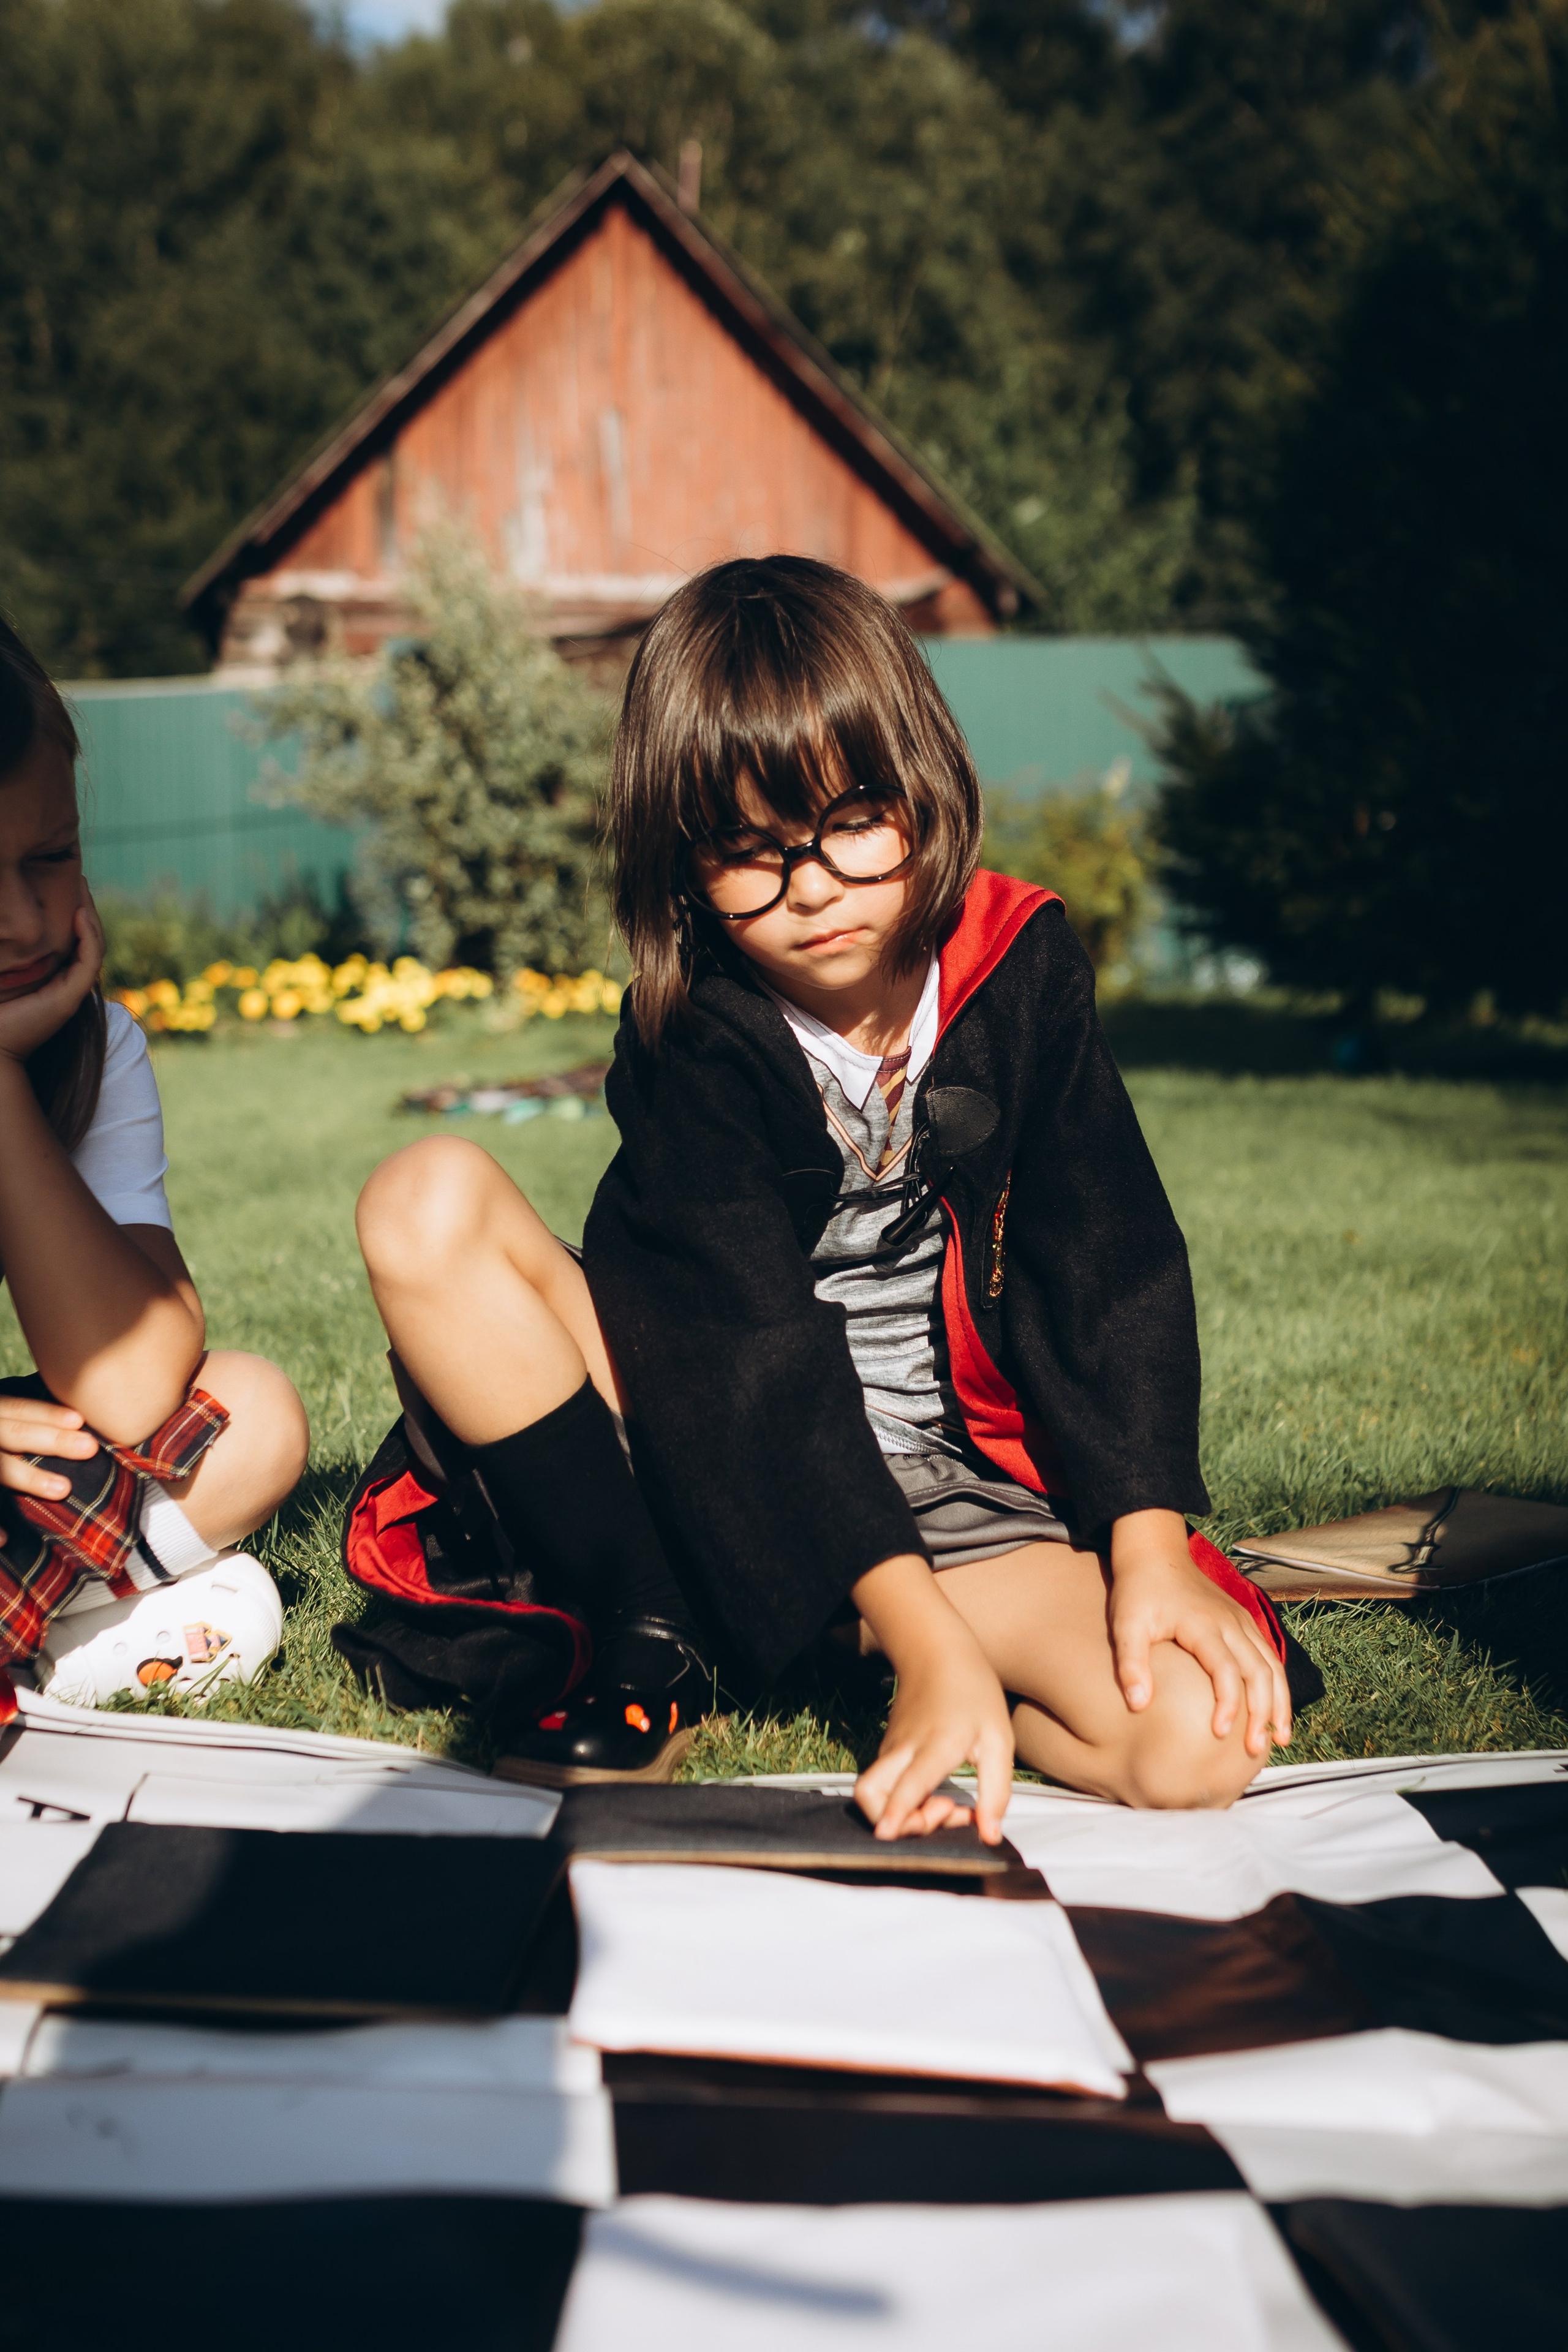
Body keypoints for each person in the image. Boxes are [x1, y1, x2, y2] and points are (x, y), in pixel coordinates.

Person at [352, 557, 1306, 1838]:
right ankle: (657, 1628)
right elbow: (746, 1346)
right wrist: (919, 1627)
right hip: (699, 1434)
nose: (808, 888)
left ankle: (837, 1646)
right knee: (425, 1196)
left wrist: (1141, 1553)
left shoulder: (1018, 967)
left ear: (921, 784)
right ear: (682, 868)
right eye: (745, 851)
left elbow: (1107, 1259)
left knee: (1193, 1742)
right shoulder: (694, 1028)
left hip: (943, 1476)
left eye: (849, 821)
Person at [0, 617, 309, 1721]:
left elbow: (132, 1387)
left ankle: (35, 1652)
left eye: (50, 859)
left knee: (253, 1412)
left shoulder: (90, 1050)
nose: (25, 918)